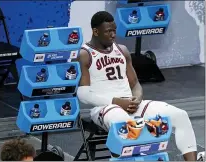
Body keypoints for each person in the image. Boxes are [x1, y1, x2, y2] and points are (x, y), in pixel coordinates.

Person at [76, 11, 204, 161]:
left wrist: (136, 99)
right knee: (127, 125)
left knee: (180, 115)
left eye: (114, 31)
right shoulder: (85, 54)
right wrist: (117, 102)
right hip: (105, 108)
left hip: (131, 103)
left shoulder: (122, 50)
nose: (112, 35)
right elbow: (83, 94)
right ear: (95, 31)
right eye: (108, 31)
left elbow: (135, 84)